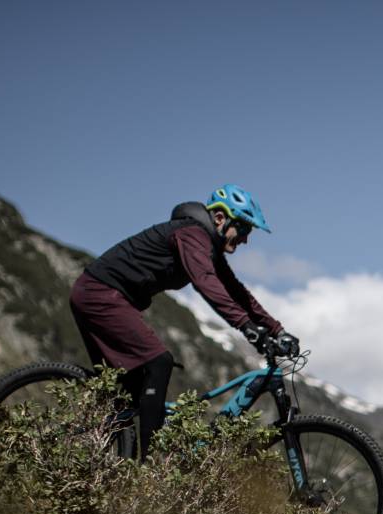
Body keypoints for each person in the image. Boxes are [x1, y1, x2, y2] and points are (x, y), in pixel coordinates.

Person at [67, 184, 298, 458]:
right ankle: (149, 469)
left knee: (132, 393)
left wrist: (276, 329)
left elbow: (236, 291)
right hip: (100, 295)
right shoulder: (192, 234)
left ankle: (120, 463)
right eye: (244, 228)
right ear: (220, 219)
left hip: (107, 297)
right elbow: (206, 283)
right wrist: (247, 328)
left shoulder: (206, 244)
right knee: (158, 361)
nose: (246, 239)